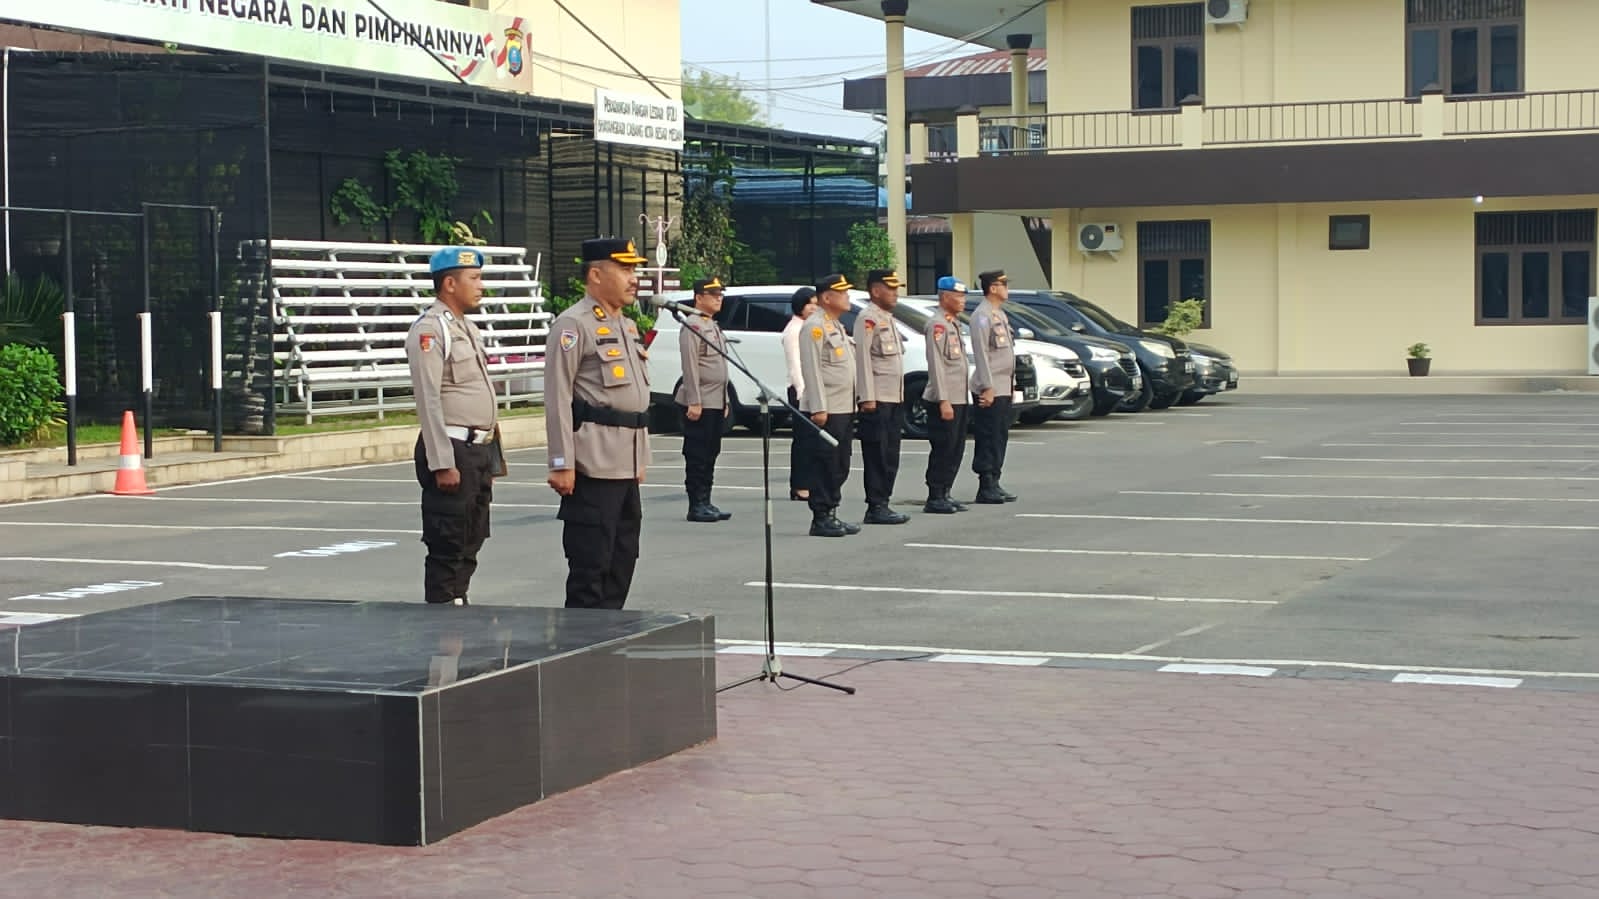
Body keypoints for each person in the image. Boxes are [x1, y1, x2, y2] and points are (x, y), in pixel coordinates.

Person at [544, 237, 652, 610]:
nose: (633, 277)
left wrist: (641, 458)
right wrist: (562, 462)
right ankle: (580, 656)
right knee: (591, 567)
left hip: (625, 463)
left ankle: (607, 648)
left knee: (622, 562)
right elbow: (557, 396)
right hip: (592, 465)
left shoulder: (626, 325)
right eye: (624, 269)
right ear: (595, 274)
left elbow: (635, 401)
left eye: (634, 269)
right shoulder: (574, 325)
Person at [406, 247, 503, 606]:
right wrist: (441, 461)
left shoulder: (466, 328)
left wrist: (491, 459)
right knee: (448, 542)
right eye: (474, 279)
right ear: (449, 283)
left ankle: (458, 605)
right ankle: (443, 622)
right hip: (453, 449)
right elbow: (428, 400)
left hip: (476, 450)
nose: (481, 286)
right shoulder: (431, 330)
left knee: (471, 538)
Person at [797, 273, 860, 538]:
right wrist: (819, 407)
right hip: (828, 408)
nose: (847, 297)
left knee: (840, 463)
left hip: (844, 406)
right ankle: (820, 516)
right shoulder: (814, 326)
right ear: (826, 297)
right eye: (842, 292)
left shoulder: (835, 325)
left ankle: (832, 511)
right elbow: (811, 370)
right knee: (825, 462)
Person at [853, 269, 910, 525]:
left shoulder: (887, 318)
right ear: (876, 291)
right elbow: (863, 359)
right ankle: (875, 505)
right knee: (877, 454)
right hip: (877, 398)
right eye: (891, 288)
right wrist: (866, 396)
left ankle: (884, 502)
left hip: (893, 397)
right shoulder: (868, 318)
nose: (896, 293)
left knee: (890, 453)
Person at [674, 276, 732, 523]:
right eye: (714, 294)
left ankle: (706, 501)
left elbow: (721, 367)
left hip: (716, 400)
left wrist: (726, 399)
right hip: (701, 401)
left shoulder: (712, 325)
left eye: (720, 293)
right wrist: (694, 400)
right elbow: (691, 366)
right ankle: (696, 504)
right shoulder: (693, 324)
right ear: (699, 298)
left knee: (711, 452)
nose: (719, 297)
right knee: (697, 454)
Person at [922, 276, 972, 515]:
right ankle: (935, 494)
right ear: (944, 297)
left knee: (956, 447)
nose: (962, 301)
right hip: (945, 398)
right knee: (943, 447)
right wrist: (943, 400)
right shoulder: (938, 325)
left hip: (959, 396)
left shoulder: (954, 324)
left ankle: (946, 491)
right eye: (958, 296)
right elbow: (937, 365)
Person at [970, 268, 1018, 504]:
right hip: (990, 388)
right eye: (1003, 284)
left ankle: (995, 481)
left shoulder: (999, 314)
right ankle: (985, 484)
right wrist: (987, 386)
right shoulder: (982, 315)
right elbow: (981, 354)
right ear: (992, 288)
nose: (1006, 288)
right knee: (988, 436)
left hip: (1003, 386)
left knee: (999, 435)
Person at [780, 286, 819, 502]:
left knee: (813, 440)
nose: (813, 307)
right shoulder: (794, 329)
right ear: (799, 306)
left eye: (815, 303)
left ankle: (810, 482)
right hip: (800, 390)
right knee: (803, 440)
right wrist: (803, 391)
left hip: (812, 389)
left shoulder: (809, 326)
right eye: (809, 303)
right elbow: (795, 364)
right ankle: (800, 485)